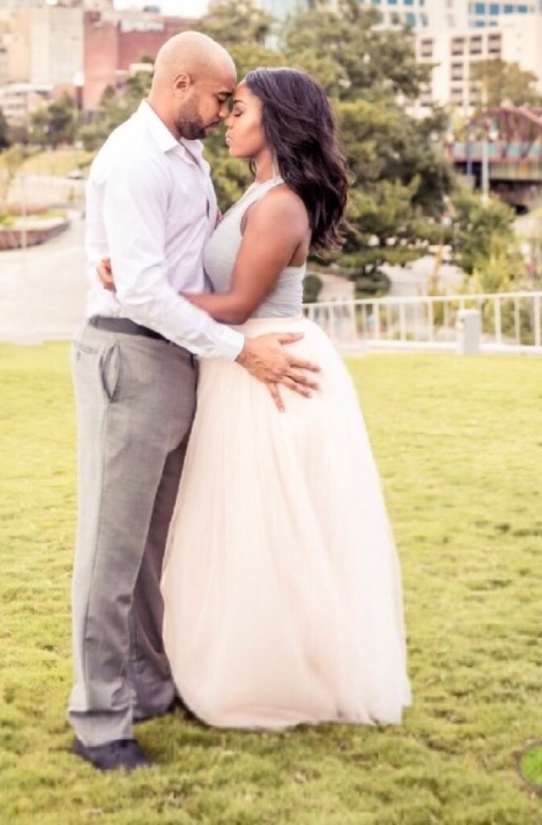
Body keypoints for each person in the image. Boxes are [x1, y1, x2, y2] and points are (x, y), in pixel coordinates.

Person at [68, 33, 320, 773]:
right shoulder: (136, 158)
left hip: (180, 356)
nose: (222, 113)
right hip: (132, 355)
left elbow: (118, 251)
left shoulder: (187, 157)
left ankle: (146, 686)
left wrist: (103, 264)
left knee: (150, 550)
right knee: (109, 553)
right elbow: (140, 289)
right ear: (181, 83)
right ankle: (99, 722)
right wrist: (240, 348)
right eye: (218, 98)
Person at [160, 67, 412, 730]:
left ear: (277, 121)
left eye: (239, 109)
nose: (228, 120)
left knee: (269, 526)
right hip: (244, 362)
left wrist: (144, 291)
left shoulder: (279, 204)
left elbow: (240, 302)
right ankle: (253, 659)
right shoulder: (258, 194)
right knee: (249, 523)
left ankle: (277, 676)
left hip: (270, 366)